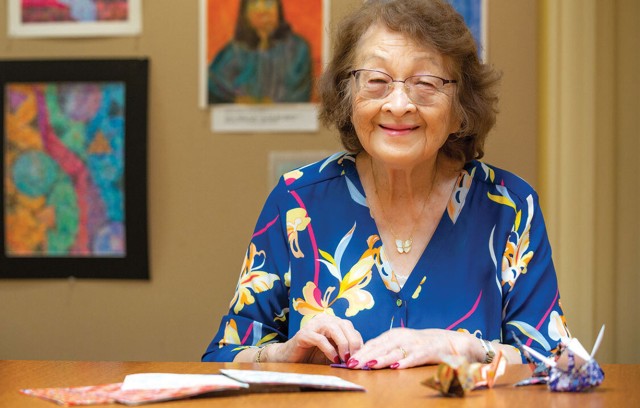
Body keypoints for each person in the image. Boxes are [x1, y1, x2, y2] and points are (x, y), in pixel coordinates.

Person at [202, 0, 570, 369]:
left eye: (425, 83)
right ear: (347, 95)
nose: (398, 104)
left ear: (461, 107)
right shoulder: (297, 201)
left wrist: (468, 349)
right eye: (377, 81)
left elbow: (558, 363)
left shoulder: (509, 207)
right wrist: (281, 354)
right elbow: (222, 356)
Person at [208, 0, 312, 104]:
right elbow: (211, 86)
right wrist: (239, 100)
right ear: (245, 13)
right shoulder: (234, 51)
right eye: (255, 4)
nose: (262, 11)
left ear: (278, 10)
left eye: (269, 3)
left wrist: (271, 104)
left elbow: (301, 94)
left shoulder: (298, 49)